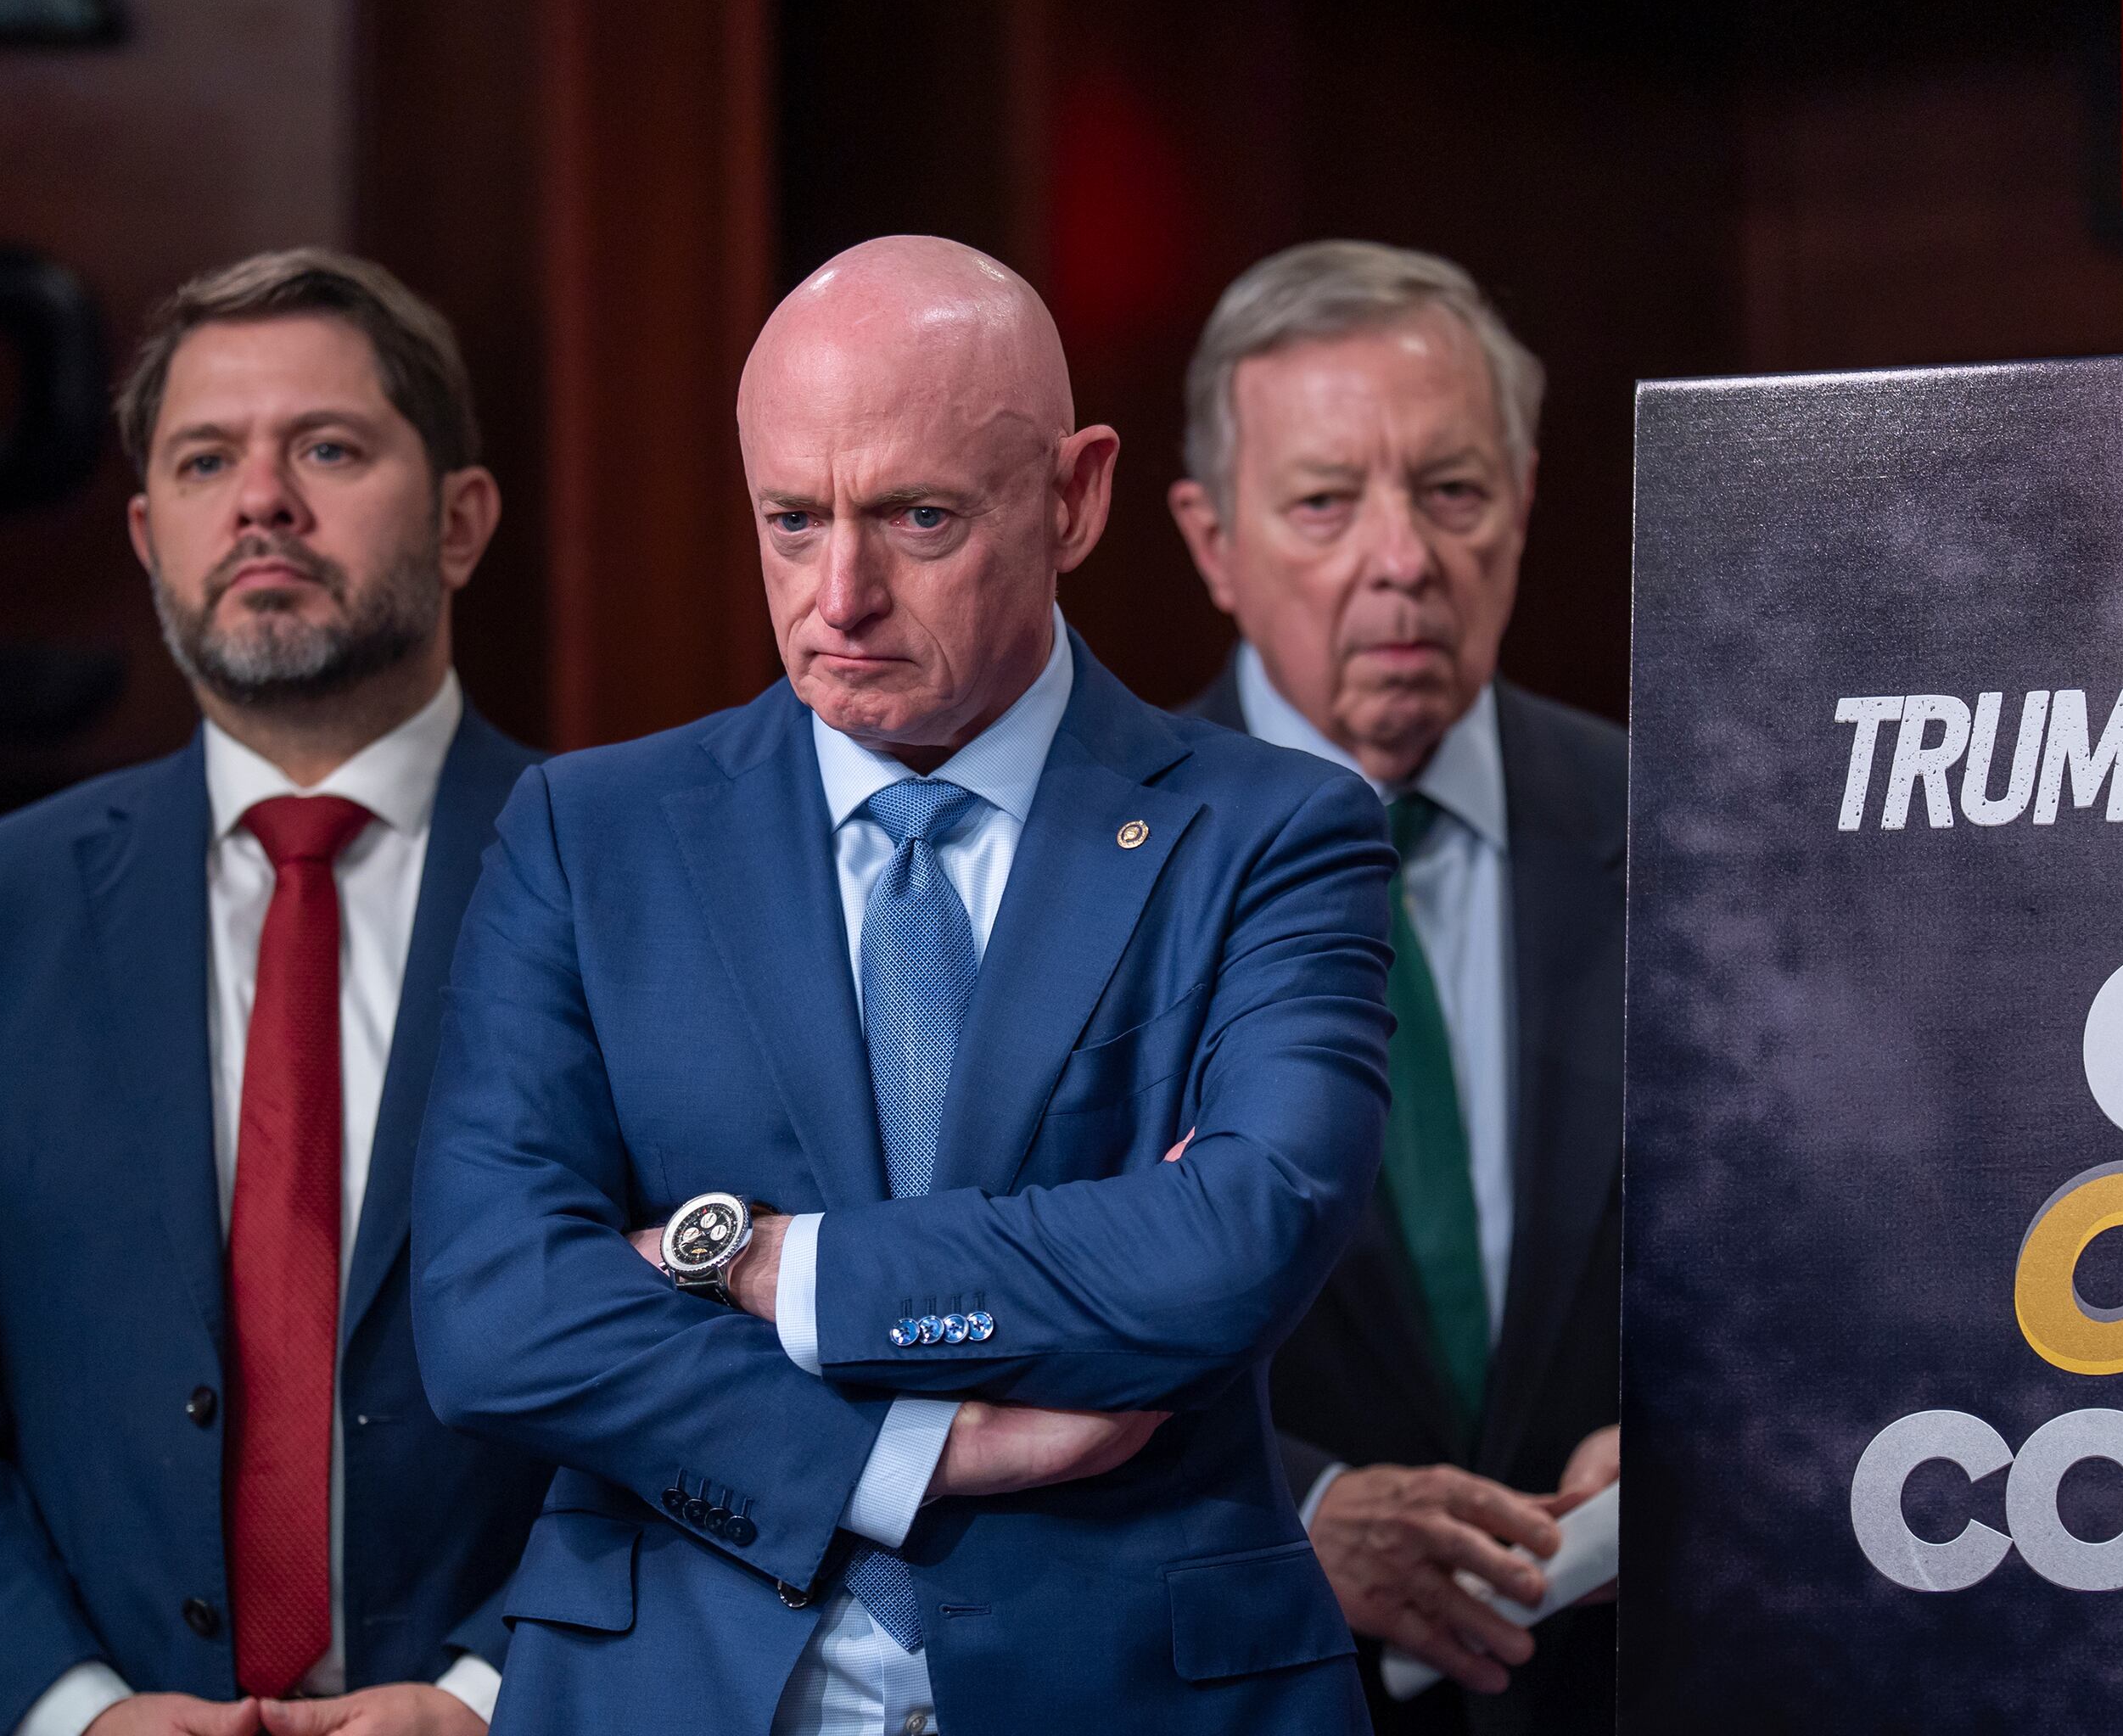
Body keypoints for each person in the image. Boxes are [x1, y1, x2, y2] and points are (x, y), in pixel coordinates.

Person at [409, 234, 1392, 1734]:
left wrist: (762, 1265)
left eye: (917, 518)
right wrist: (908, 1457)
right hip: (678, 1684)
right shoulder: (587, 834)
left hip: (1142, 1691)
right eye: (791, 521)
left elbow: (1234, 1243)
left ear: (1076, 497)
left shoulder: (1276, 831)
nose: (839, 595)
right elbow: (491, 1309)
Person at [0, 250, 551, 1736]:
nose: (262, 499)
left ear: (462, 522)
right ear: (151, 537)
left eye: (328, 448)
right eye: (208, 460)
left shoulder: (630, 881)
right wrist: (71, 1711)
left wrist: (491, 1692)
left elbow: (703, 1373)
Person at [1167, 240, 1624, 1734]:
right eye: (1322, 502)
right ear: (1212, 541)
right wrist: (1298, 1508)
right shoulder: (1083, 874)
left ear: (1525, 499)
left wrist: (1706, 1428)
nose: (1403, 559)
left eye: (1451, 491)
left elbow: (1818, 1237)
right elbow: (997, 1329)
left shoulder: (1686, 826)